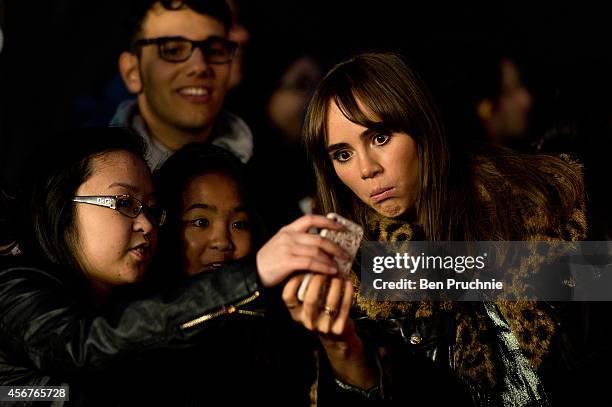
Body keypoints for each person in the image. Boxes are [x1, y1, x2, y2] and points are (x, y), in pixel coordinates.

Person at [282, 53, 587, 405]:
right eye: (343, 154)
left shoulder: (541, 200)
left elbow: (595, 314)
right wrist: (341, 350)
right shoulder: (356, 271)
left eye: (380, 138)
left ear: (420, 128)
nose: (366, 169)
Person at [0, 127, 347, 406]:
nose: (147, 224)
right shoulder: (12, 286)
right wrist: (253, 273)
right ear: (59, 206)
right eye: (124, 202)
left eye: (152, 209)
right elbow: (80, 347)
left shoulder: (140, 311)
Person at [112, 0, 253, 169]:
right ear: (132, 72)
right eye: (173, 50)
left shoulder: (275, 171)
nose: (200, 67)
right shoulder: (85, 176)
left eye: (214, 50)